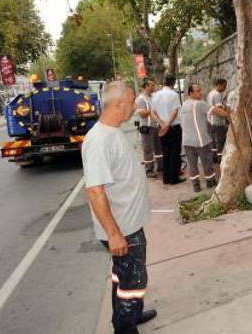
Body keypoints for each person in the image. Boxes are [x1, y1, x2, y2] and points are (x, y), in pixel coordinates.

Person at [81, 80, 157, 333]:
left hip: (129, 225)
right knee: (133, 280)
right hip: (122, 230)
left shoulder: (113, 132)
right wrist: (114, 234)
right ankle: (125, 328)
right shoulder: (99, 141)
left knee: (122, 276)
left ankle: (130, 315)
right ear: (118, 103)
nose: (135, 106)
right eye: (132, 100)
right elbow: (94, 190)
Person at [181, 83, 229, 192]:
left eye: (200, 90)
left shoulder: (184, 105)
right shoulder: (199, 104)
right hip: (201, 139)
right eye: (197, 91)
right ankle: (210, 182)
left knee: (192, 164)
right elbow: (216, 110)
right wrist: (228, 114)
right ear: (191, 93)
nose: (200, 92)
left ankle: (196, 185)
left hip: (187, 140)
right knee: (207, 161)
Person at [151, 74, 185, 185]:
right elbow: (175, 112)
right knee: (175, 152)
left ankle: (166, 178)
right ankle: (174, 178)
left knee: (165, 152)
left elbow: (153, 112)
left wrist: (162, 124)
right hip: (173, 127)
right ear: (173, 83)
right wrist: (167, 124)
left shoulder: (155, 95)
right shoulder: (173, 94)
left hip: (161, 127)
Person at [135, 78, 163, 177]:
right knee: (148, 149)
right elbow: (142, 114)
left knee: (159, 148)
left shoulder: (153, 97)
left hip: (156, 126)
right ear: (146, 86)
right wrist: (151, 111)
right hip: (147, 127)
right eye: (152, 85)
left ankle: (161, 166)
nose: (153, 87)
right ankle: (149, 170)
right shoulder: (140, 99)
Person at [207, 78, 228, 162]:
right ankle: (220, 158)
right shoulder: (217, 94)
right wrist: (226, 115)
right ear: (219, 84)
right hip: (218, 121)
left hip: (210, 121)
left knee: (213, 141)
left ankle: (214, 157)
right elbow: (219, 108)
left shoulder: (210, 93)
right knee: (220, 140)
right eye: (224, 86)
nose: (225, 88)